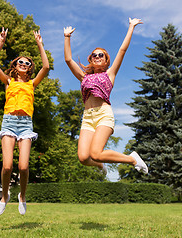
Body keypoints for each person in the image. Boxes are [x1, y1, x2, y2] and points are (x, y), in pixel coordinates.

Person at [63, 18, 148, 175]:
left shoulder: (110, 74)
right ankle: (100, 166)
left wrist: (131, 27)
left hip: (103, 115)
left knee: (96, 153)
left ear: (106, 59)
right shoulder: (84, 77)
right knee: (83, 157)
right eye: (94, 55)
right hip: (87, 117)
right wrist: (67, 37)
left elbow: (122, 50)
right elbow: (68, 60)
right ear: (91, 59)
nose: (96, 56)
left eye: (100, 55)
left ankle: (132, 159)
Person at [0, 27, 49, 215]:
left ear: (30, 68)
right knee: (7, 166)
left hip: (25, 124)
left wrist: (40, 44)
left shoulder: (32, 83)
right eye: (21, 62)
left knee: (23, 166)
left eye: (27, 63)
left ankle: (22, 196)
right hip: (9, 122)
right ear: (15, 65)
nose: (24, 64)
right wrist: (0, 42)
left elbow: (46, 67)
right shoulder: (8, 81)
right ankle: (4, 195)